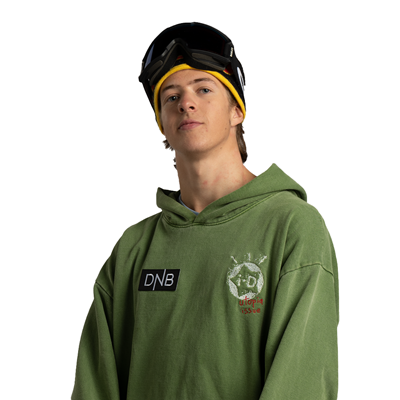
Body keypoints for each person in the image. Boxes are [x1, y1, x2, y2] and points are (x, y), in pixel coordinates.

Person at [71, 22, 339, 400]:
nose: (186, 103)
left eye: (204, 89)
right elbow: (94, 386)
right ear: (162, 124)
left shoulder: (292, 228)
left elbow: (302, 385)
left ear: (236, 111)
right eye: (171, 96)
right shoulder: (133, 250)